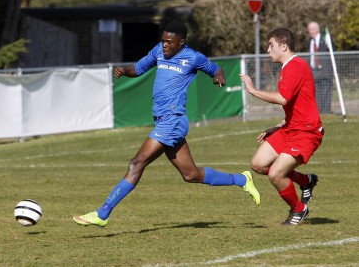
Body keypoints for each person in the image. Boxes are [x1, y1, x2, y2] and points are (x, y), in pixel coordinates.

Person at [73, 22, 260, 227]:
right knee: (191, 175)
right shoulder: (158, 52)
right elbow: (138, 68)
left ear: (181, 42)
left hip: (173, 120)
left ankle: (103, 213)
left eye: (169, 42)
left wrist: (218, 76)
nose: (164, 46)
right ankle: (242, 180)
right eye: (163, 41)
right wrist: (124, 71)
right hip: (163, 120)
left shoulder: (193, 57)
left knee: (137, 163)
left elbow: (216, 69)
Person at [240, 28, 322, 225]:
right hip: (290, 129)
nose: (268, 50)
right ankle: (305, 181)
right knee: (258, 164)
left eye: (271, 45)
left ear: (283, 46)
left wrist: (252, 90)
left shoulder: (295, 66)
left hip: (306, 132)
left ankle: (299, 209)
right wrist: (278, 127)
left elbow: (282, 99)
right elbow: (296, 104)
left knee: (276, 173)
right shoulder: (288, 67)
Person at [307, 21, 333, 114]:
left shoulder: (325, 39)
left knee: (326, 91)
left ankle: (326, 112)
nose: (311, 31)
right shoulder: (310, 41)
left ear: (317, 29)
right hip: (314, 70)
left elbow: (332, 52)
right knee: (315, 92)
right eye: (309, 29)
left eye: (312, 29)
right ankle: (317, 111)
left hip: (325, 70)